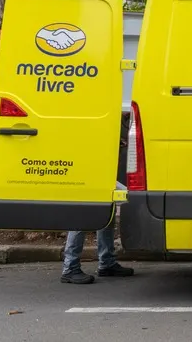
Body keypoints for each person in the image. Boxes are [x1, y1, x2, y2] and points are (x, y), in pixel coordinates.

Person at [60, 113, 135, 284]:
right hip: (86, 168)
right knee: (81, 216)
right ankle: (70, 268)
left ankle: (107, 262)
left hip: (99, 167)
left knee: (106, 213)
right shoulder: (88, 113)